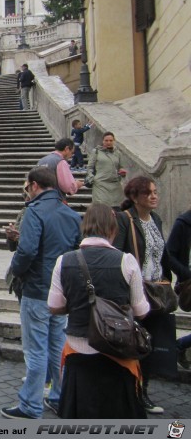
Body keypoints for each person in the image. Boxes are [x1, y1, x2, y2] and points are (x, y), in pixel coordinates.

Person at [48, 204, 149, 418]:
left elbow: (55, 306)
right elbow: (141, 310)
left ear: (85, 227)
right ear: (113, 229)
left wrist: (78, 303)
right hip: (117, 350)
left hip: (78, 349)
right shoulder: (127, 261)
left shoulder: (63, 261)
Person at [1, 166, 81, 420]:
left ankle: (30, 405)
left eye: (27, 186)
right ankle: (58, 396)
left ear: (34, 185)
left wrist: (18, 271)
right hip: (62, 292)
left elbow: (26, 252)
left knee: (35, 350)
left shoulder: (33, 211)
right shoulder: (71, 214)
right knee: (58, 346)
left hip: (37, 290)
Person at [113, 176, 179, 414]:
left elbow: (163, 254)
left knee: (150, 344)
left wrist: (180, 274)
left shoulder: (156, 219)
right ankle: (128, 391)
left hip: (157, 291)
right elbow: (118, 256)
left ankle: (143, 392)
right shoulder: (124, 220)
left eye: (155, 192)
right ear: (134, 197)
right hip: (135, 292)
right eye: (148, 193)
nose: (154, 196)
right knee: (135, 344)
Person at [166, 206, 191, 369]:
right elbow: (168, 255)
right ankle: (178, 346)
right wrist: (186, 274)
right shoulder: (183, 223)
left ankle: (179, 345)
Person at [85, 132, 127, 208]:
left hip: (115, 185)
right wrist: (92, 177)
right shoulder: (96, 151)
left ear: (114, 141)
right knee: (101, 208)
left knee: (117, 208)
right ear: (103, 141)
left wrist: (122, 172)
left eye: (111, 140)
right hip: (100, 184)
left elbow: (121, 166)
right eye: (106, 140)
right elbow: (89, 167)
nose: (108, 142)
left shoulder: (118, 153)